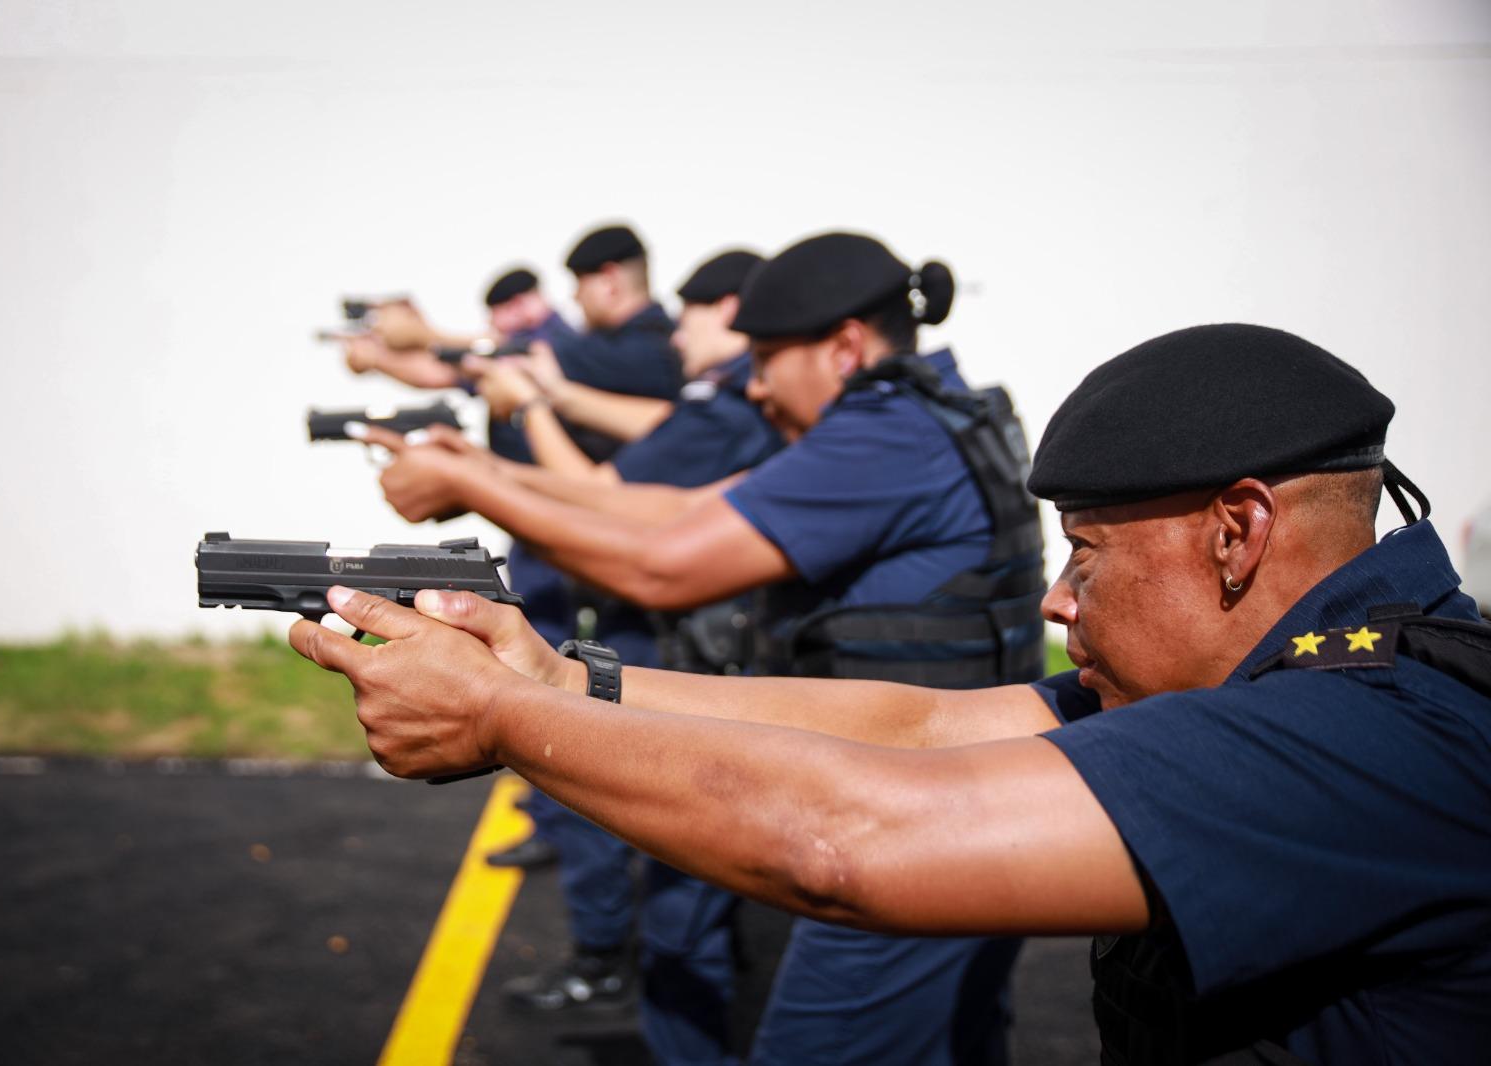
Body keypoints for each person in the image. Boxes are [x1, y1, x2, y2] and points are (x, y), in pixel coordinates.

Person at [291, 323, 1491, 1065]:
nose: (1058, 600)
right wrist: (566, 681)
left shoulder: (1364, 729)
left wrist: (502, 718)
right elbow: (919, 725)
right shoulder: (1290, 678)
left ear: (1238, 531)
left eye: (1087, 554)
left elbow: (850, 842)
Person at [372, 232, 1043, 1064]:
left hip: (903, 819)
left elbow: (661, 566)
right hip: (954, 796)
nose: (754, 387)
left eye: (765, 359)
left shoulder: (881, 437)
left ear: (844, 347)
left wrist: (474, 488)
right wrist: (488, 471)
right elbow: (679, 508)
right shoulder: (932, 414)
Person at [371, 250, 785, 1060]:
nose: (678, 333)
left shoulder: (721, 396)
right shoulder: (720, 396)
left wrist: (496, 454)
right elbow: (655, 496)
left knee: (673, 881)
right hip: (706, 653)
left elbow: (630, 515)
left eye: (695, 315)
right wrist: (489, 460)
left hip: (696, 651)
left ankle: (622, 975)